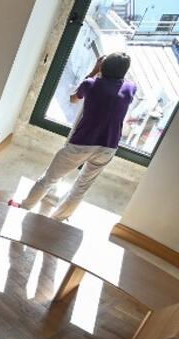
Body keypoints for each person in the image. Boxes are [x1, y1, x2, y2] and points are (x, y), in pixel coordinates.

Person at [11, 52, 135, 221]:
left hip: (82, 144)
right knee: (81, 187)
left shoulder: (91, 84)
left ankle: (24, 207)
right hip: (109, 147)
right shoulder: (130, 88)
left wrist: (94, 70)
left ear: (103, 66)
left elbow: (74, 98)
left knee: (49, 178)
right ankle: (58, 219)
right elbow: (117, 88)